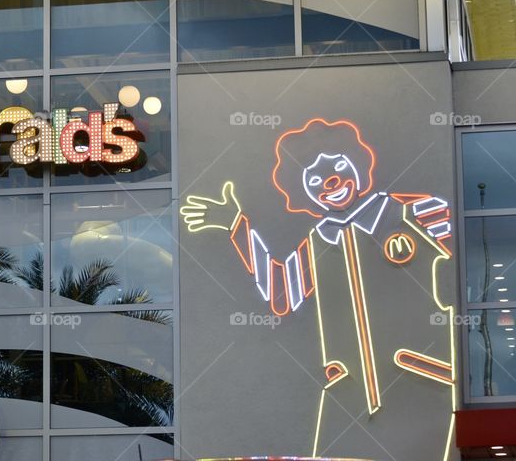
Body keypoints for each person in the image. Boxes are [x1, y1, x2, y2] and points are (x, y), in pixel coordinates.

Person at [180, 118, 456, 461]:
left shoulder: (413, 211)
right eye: (313, 178)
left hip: (420, 380)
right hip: (347, 396)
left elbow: (472, 245)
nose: (331, 180)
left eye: (339, 165)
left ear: (359, 164)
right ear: (304, 193)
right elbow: (281, 294)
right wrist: (238, 226)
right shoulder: (318, 241)